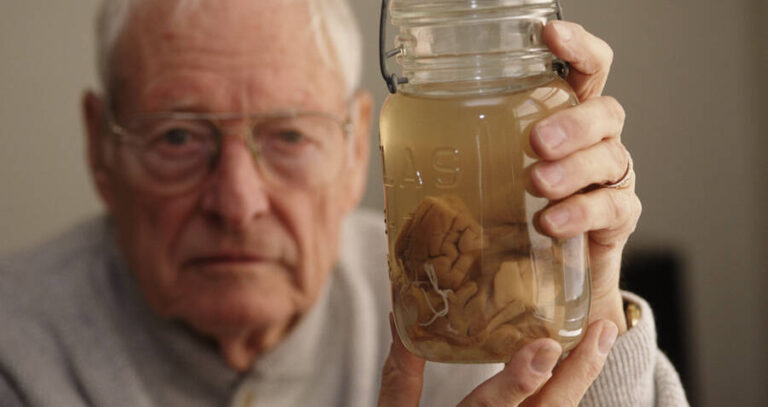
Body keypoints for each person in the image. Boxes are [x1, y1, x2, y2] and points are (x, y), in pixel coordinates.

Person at [0, 0, 688, 406]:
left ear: (362, 144)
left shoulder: (471, 302)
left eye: (290, 133)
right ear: (100, 145)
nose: (238, 202)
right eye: (178, 136)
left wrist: (590, 296)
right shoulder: (18, 349)